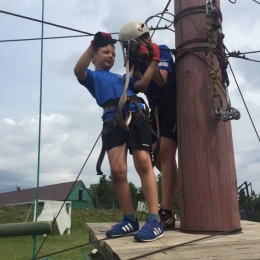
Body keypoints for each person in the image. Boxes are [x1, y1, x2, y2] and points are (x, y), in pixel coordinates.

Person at [74, 31, 164, 242]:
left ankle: (154, 219)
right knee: (117, 169)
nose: (110, 55)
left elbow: (142, 85)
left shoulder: (123, 77)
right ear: (94, 57)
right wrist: (93, 45)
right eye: (105, 52)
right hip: (113, 118)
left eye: (113, 53)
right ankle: (130, 219)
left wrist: (153, 60)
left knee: (143, 161)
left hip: (134, 111)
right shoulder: (93, 78)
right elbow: (78, 70)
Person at [119, 21, 178, 230]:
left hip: (170, 104)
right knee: (156, 157)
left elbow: (161, 80)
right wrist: (134, 63)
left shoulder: (160, 51)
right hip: (155, 109)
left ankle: (166, 212)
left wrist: (150, 58)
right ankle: (174, 199)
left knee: (166, 151)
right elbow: (138, 84)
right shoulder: (140, 59)